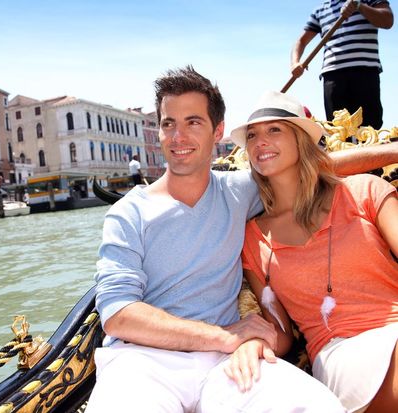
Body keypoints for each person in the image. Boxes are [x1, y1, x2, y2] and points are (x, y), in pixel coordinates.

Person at [88, 66, 351, 413]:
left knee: (314, 407)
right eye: (169, 124)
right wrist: (226, 335)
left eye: (193, 122)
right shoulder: (128, 213)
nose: (178, 137)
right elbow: (119, 314)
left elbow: (312, 169)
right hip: (144, 361)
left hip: (227, 364)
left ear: (218, 131)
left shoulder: (241, 190)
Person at [228, 90, 398, 412]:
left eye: (274, 130)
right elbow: (281, 332)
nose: (260, 141)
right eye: (252, 135)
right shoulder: (252, 237)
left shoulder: (365, 191)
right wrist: (251, 339)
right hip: (341, 353)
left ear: (302, 140)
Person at [291, 0, 394, 129]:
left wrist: (359, 6)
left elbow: (387, 21)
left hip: (364, 72)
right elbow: (301, 41)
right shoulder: (320, 10)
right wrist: (295, 62)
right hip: (332, 75)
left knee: (370, 126)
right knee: (337, 129)